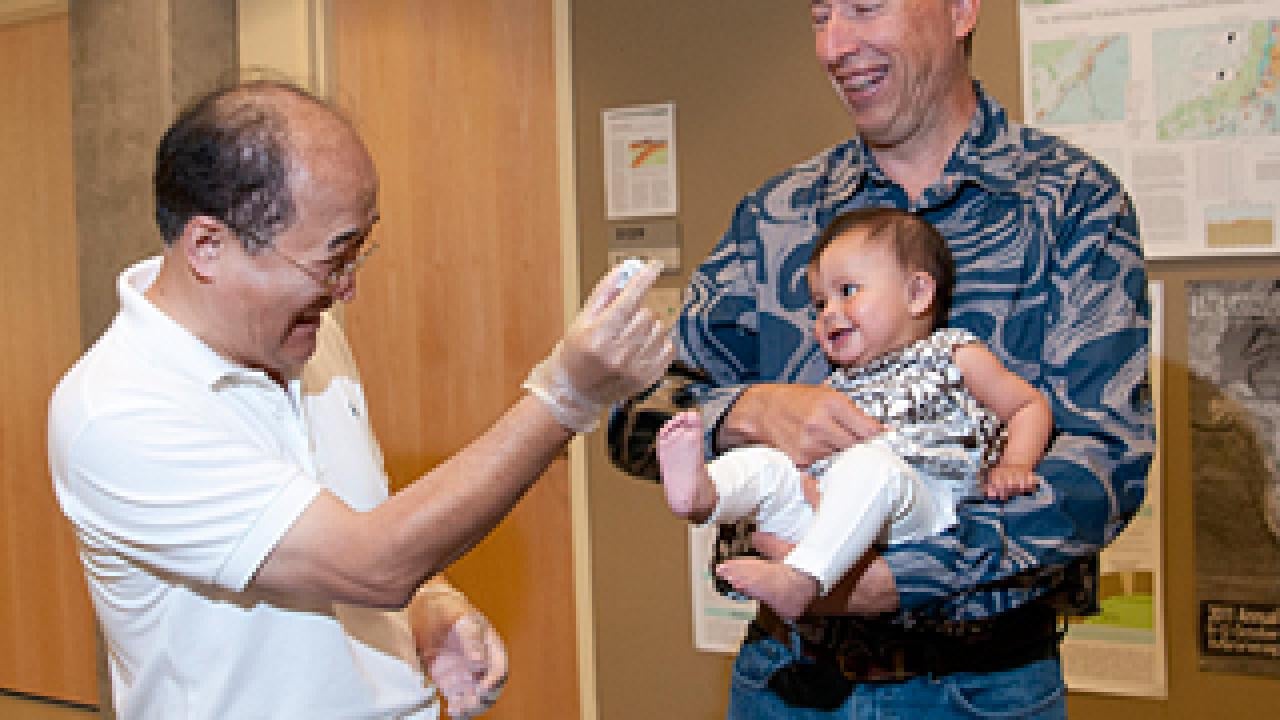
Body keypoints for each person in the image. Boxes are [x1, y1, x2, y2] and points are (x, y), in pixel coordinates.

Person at [48, 79, 673, 720]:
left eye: (359, 252)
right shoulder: (119, 411)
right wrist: (564, 396)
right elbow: (371, 564)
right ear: (208, 247)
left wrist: (430, 601)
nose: (346, 291)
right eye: (332, 260)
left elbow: (358, 523)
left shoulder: (307, 340)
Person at [608, 1, 1154, 717]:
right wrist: (749, 412)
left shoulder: (1071, 206)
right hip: (786, 679)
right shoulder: (776, 216)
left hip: (981, 686)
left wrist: (905, 577)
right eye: (819, 15)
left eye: (865, 6)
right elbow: (629, 419)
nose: (834, 45)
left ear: (961, 10)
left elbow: (1108, 462)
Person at [656, 208, 1051, 622]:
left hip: (923, 501)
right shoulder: (837, 384)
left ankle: (801, 579)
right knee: (768, 464)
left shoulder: (952, 354)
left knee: (871, 466)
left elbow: (1027, 405)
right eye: (820, 303)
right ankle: (703, 495)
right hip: (831, 518)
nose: (828, 312)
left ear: (917, 294)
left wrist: (1015, 463)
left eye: (848, 291)